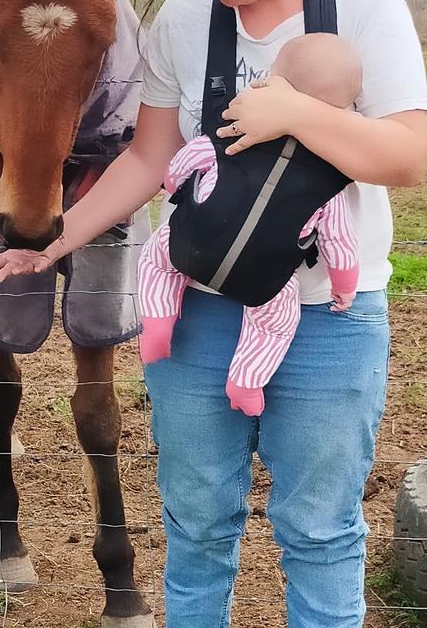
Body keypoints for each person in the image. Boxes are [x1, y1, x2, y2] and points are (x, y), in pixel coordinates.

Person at [0, 0, 427, 627]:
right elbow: (149, 157)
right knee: (196, 527)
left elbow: (407, 158)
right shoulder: (187, 19)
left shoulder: (365, 4)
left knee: (320, 529)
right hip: (198, 314)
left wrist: (298, 113)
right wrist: (56, 237)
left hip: (329, 320)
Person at [138, 33, 362, 418]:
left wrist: (178, 188)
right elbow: (339, 240)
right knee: (275, 324)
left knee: (156, 260)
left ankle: (157, 323)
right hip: (265, 276)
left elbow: (180, 167)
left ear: (273, 84)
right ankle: (247, 380)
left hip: (191, 243)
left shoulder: (232, 135)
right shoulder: (329, 174)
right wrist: (344, 284)